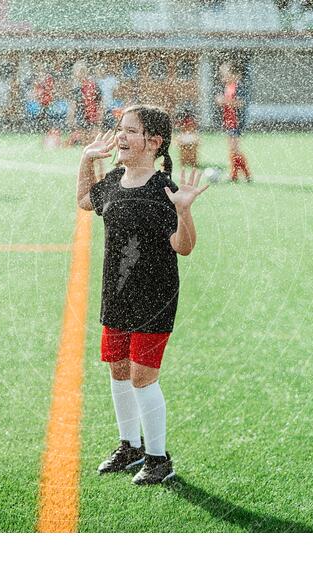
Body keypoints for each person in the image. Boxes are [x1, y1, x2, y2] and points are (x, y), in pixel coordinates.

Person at [76, 105, 209, 485]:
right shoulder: (114, 181)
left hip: (155, 297)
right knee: (118, 368)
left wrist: (184, 212)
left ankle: (158, 457)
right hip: (116, 294)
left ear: (153, 142)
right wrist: (86, 160)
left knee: (142, 378)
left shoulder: (164, 188)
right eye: (120, 129)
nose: (120, 136)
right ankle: (130, 446)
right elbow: (85, 200)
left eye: (130, 131)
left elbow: (183, 248)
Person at [216, 63, 252, 182]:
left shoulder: (239, 86)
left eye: (225, 74)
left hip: (236, 122)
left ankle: (244, 174)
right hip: (229, 121)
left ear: (234, 74)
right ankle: (236, 175)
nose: (223, 77)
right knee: (232, 149)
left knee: (234, 149)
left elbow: (241, 103)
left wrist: (224, 101)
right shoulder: (228, 86)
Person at [67, 61, 101, 146]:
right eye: (77, 71)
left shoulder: (92, 86)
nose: (78, 73)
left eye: (80, 71)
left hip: (89, 117)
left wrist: (99, 118)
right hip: (83, 117)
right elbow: (72, 106)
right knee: (87, 142)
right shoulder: (78, 87)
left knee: (90, 141)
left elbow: (100, 104)